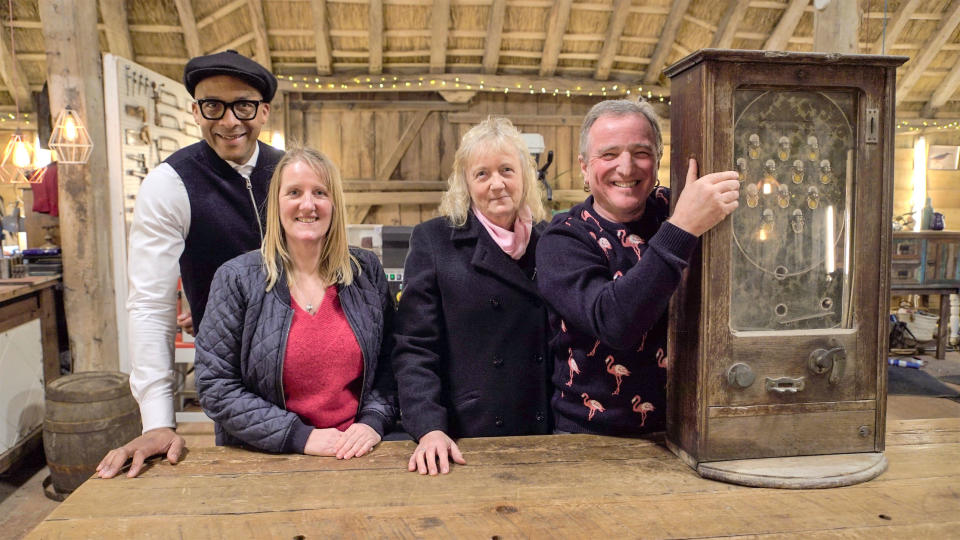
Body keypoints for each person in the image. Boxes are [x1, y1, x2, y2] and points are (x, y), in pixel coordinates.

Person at [97, 50, 284, 478]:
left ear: (264, 111)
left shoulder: (290, 171)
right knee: (247, 485)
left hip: (312, 362)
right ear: (196, 110)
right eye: (213, 106)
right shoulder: (169, 183)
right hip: (233, 375)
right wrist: (159, 421)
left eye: (244, 105)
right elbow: (149, 302)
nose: (229, 121)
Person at [536, 99, 739, 436]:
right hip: (592, 437)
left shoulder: (679, 210)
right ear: (584, 167)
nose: (626, 168)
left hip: (693, 428)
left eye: (641, 153)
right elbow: (614, 324)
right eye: (609, 154)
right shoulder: (563, 240)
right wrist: (682, 229)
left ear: (658, 161)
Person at [193, 147, 398, 456]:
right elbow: (216, 386)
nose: (308, 204)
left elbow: (392, 363)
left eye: (319, 192)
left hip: (356, 449)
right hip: (270, 455)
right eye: (294, 192)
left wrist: (373, 420)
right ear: (276, 204)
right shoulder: (237, 279)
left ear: (334, 204)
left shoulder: (365, 271)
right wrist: (300, 437)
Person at [393, 117, 552, 475]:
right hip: (467, 438)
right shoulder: (434, 242)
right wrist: (429, 427)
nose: (497, 184)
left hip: (547, 432)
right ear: (465, 183)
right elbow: (415, 347)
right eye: (482, 174)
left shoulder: (551, 240)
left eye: (507, 170)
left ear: (525, 175)